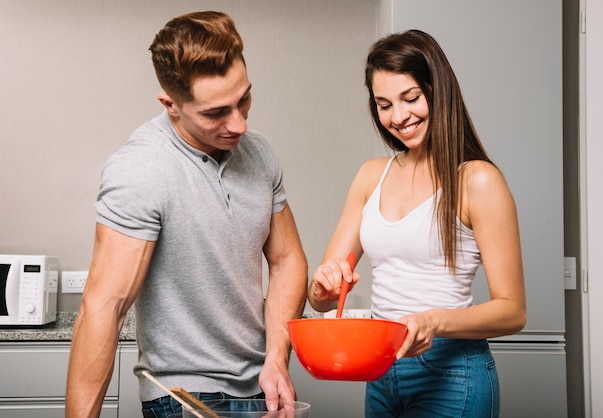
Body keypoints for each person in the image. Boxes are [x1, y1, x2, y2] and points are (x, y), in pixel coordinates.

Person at [65, 11, 308, 418]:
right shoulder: (142, 169)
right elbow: (104, 306)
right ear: (170, 104)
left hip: (260, 386)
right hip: (184, 398)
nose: (240, 124)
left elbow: (287, 261)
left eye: (243, 98)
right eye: (216, 113)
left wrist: (277, 358)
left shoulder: (260, 154)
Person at [307, 30, 526, 417]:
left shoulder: (476, 180)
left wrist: (433, 322)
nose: (399, 117)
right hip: (381, 369)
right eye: (384, 105)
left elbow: (513, 311)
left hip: (452, 372)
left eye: (411, 98)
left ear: (437, 90)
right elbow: (321, 295)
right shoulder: (370, 176)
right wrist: (323, 287)